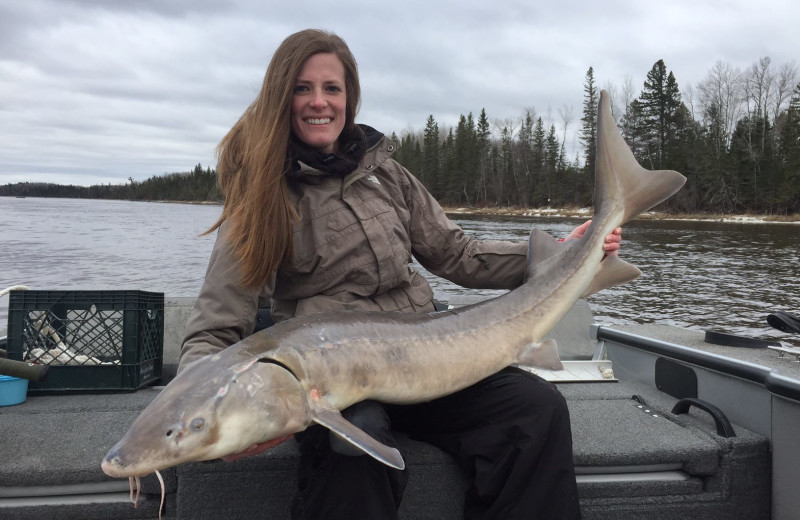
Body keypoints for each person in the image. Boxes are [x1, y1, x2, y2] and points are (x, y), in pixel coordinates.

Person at [179, 29, 621, 520]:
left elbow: (459, 255)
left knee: (535, 411)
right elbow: (217, 326)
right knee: (355, 452)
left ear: (350, 97)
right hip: (337, 386)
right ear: (280, 97)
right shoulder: (261, 198)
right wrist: (197, 405)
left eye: (332, 89)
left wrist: (562, 252)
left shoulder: (386, 173)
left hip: (428, 361)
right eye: (302, 89)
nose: (319, 102)